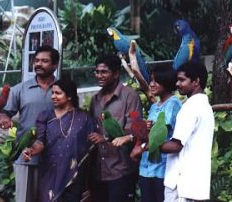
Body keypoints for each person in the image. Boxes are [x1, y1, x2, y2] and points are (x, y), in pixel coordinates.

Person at [0, 45, 60, 202]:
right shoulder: (20, 89)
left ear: (54, 65)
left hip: (56, 158)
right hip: (26, 157)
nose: (38, 64)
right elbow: (2, 113)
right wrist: (3, 119)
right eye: (36, 60)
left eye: (44, 61)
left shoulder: (62, 89)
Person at [23, 79, 94, 202]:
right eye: (52, 93)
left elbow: (90, 153)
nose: (53, 97)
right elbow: (40, 142)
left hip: (74, 177)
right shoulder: (45, 116)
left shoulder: (84, 118)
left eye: (58, 93)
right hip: (49, 174)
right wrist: (31, 151)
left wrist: (90, 185)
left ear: (70, 96)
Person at [88, 54, 142, 202]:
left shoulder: (131, 96)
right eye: (97, 72)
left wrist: (105, 138)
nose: (99, 75)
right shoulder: (95, 99)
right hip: (99, 171)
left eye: (104, 72)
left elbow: (137, 131)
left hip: (121, 170)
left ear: (116, 73)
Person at [160, 62, 215, 202]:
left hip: (181, 184)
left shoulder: (190, 108)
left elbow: (176, 146)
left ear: (196, 81)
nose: (177, 84)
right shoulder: (204, 106)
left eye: (182, 80)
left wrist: (147, 145)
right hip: (195, 184)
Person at [133, 65, 182, 202]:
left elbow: (159, 134)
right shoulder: (155, 106)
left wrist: (140, 148)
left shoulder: (173, 104)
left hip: (162, 168)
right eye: (151, 80)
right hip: (146, 167)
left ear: (166, 82)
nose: (151, 84)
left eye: (156, 81)